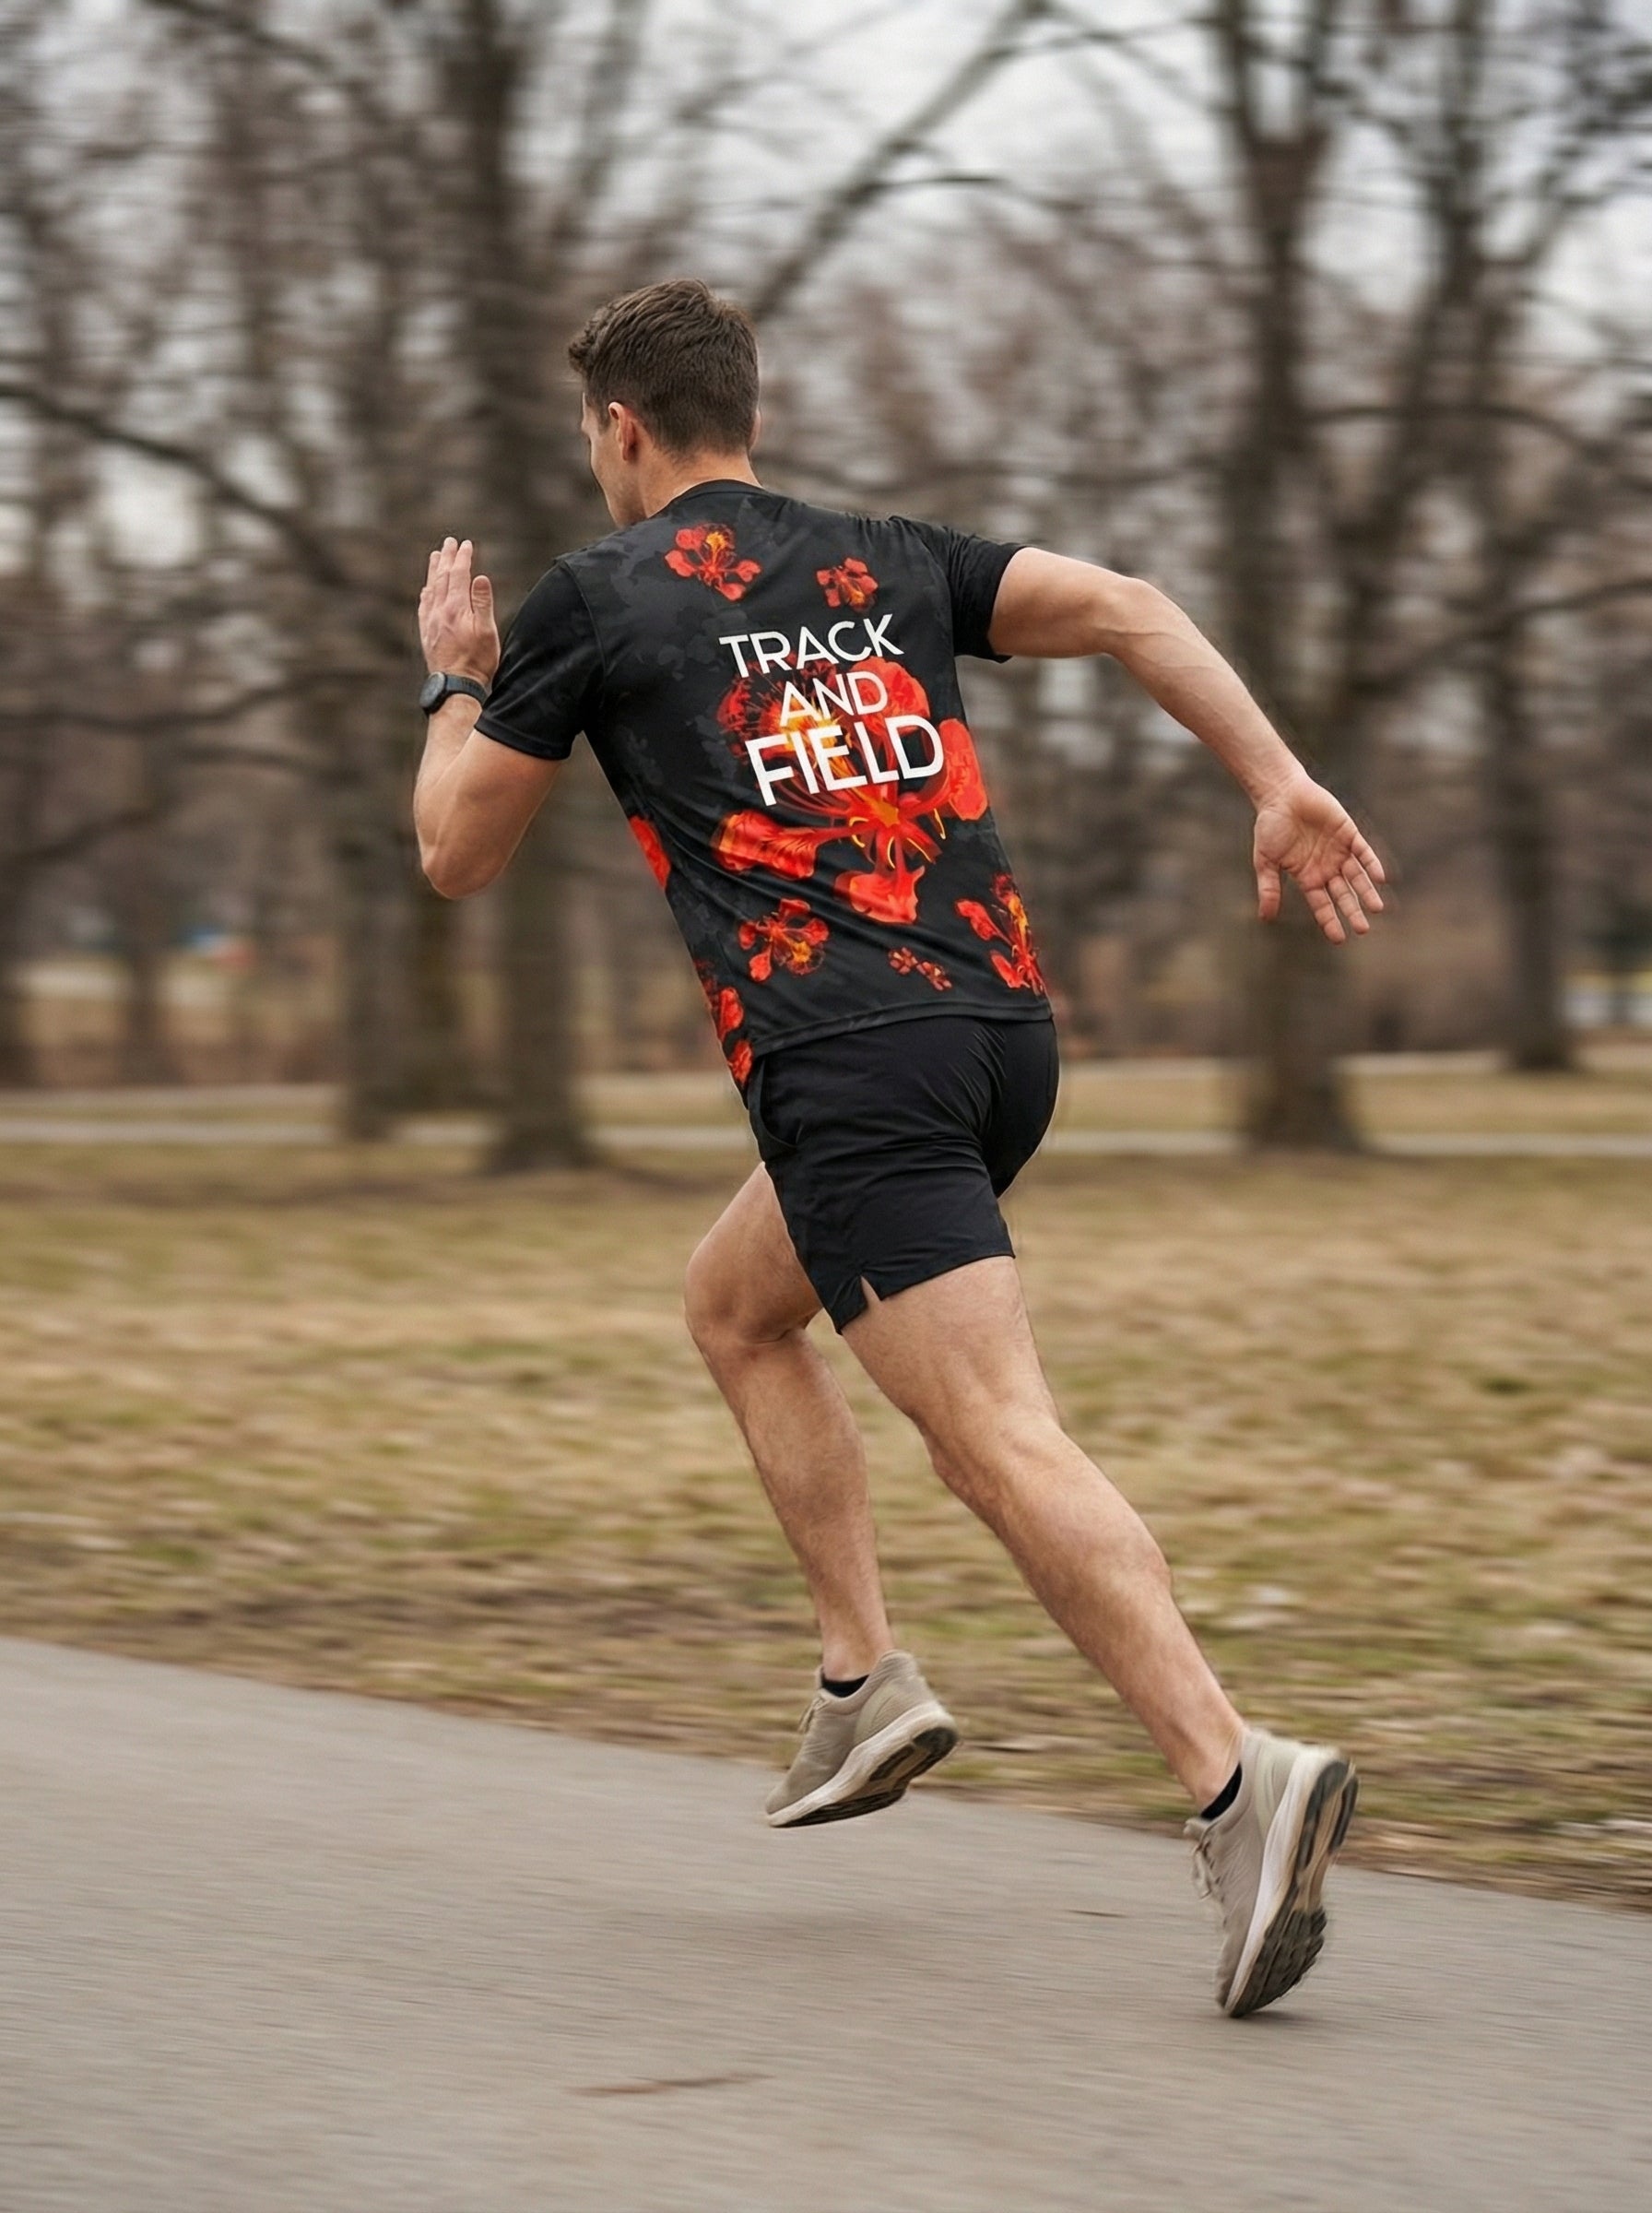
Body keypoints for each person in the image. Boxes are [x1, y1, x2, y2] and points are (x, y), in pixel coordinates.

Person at [413, 278, 1383, 2019]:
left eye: (590, 434)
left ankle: (1241, 1781)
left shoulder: (598, 599)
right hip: (1000, 1039)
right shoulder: (883, 556)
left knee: (1000, 1441)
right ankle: (865, 1677)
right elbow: (1138, 609)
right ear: (747, 412)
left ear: (622, 430)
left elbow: (452, 856)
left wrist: (451, 682)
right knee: (735, 1305)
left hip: (847, 1069)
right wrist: (1275, 778)